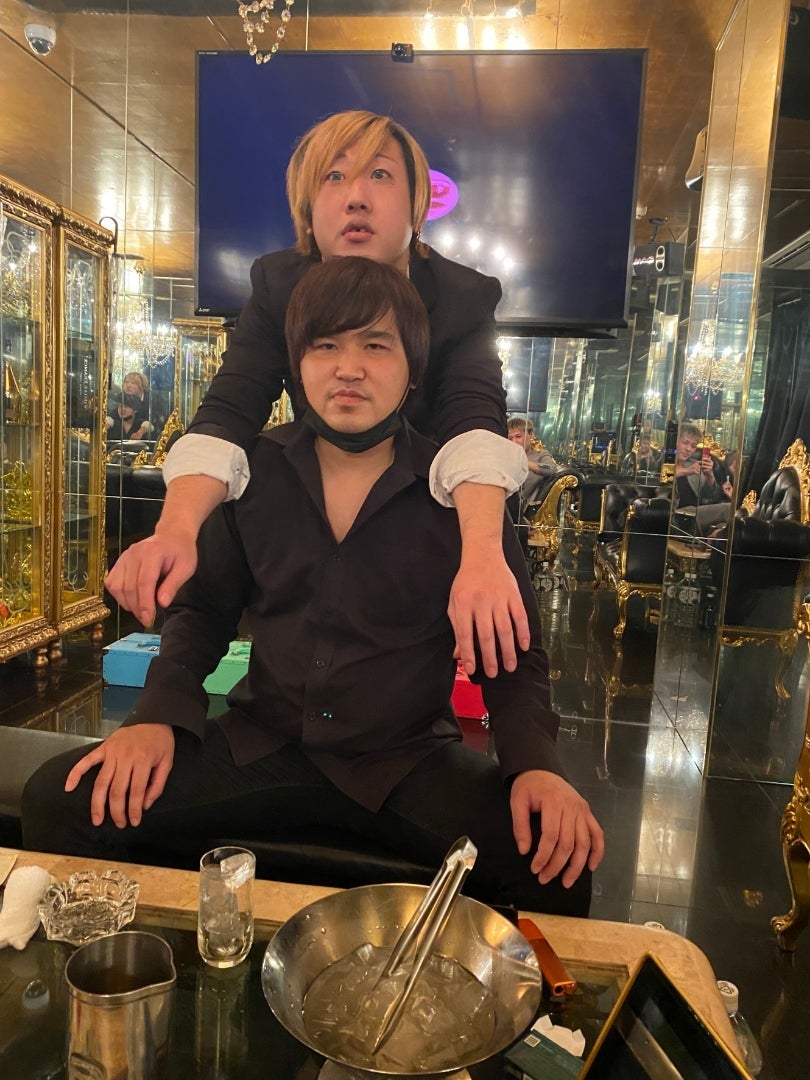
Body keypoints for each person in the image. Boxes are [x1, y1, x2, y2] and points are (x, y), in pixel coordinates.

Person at [22, 258, 603, 915]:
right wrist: (156, 717)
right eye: (325, 346)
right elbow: (203, 614)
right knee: (62, 799)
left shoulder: (463, 495)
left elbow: (515, 654)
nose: (348, 368)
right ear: (297, 365)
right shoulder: (255, 473)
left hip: (405, 761)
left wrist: (536, 766)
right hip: (263, 744)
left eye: (375, 346)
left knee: (557, 863)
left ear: (413, 369)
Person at [104, 110, 529, 681]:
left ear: (417, 204)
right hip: (319, 502)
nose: (356, 197)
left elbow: (473, 421)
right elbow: (230, 410)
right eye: (333, 176)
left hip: (430, 511)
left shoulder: (462, 297)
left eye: (380, 175)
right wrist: (175, 529)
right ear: (307, 208)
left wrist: (480, 556)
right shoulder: (278, 284)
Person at [673, 422, 730, 535]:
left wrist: (709, 476)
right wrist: (686, 471)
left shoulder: (693, 464)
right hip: (673, 515)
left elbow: (710, 496)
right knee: (728, 509)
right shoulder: (662, 462)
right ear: (674, 441)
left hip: (694, 515)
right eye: (685, 442)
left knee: (724, 524)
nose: (688, 449)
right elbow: (662, 478)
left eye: (693, 446)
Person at [507, 417, 559, 510]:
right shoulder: (504, 456)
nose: (514, 442)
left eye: (518, 437)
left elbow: (552, 470)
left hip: (524, 509)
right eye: (510, 438)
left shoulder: (540, 455)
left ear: (531, 435)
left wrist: (524, 463)